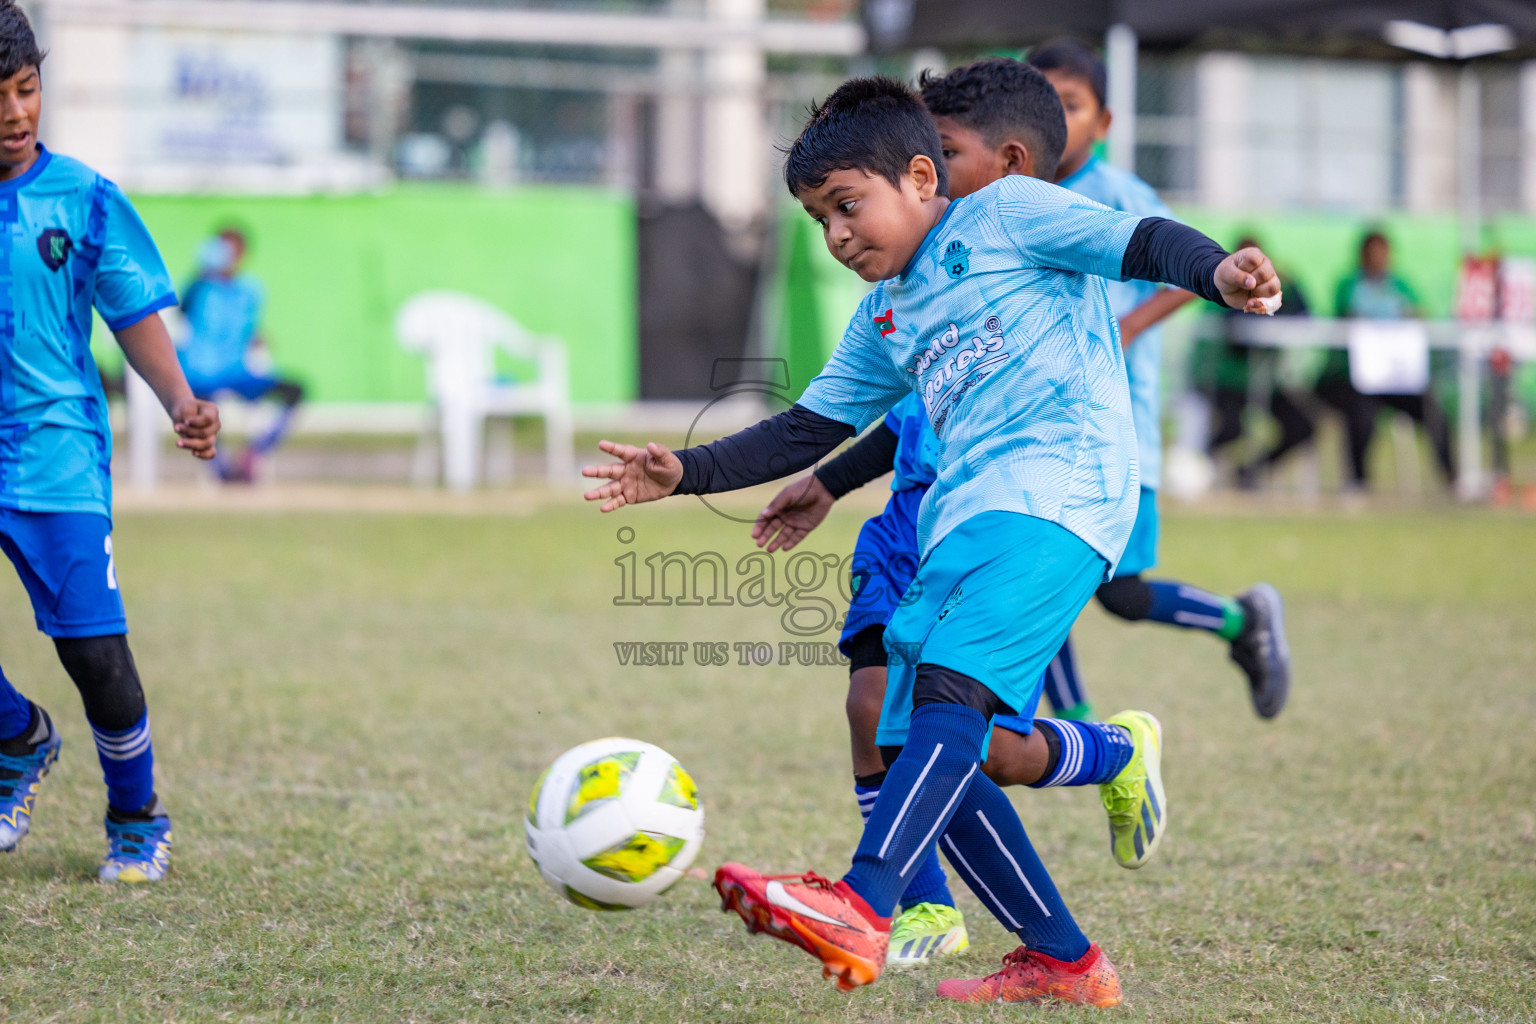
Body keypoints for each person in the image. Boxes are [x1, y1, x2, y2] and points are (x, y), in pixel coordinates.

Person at [584, 75, 1280, 1005]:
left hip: (1063, 491)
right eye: (818, 220)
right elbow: (805, 429)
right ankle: (1064, 960)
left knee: (948, 694)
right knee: (931, 742)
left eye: (847, 205)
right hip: (965, 516)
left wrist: (1218, 271)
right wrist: (686, 471)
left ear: (920, 178)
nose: (836, 235)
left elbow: (1140, 242)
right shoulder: (884, 313)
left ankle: (863, 902)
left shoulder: (1007, 215)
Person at [0, 1, 221, 883]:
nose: (15, 113)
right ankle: (17, 737)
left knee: (94, 655)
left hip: (54, 454)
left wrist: (180, 400)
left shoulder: (84, 199)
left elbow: (129, 312)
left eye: (26, 89)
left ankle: (136, 817)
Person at [1314, 230, 1454, 489]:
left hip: (1394, 377)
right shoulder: (1348, 285)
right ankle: (1358, 482)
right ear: (1362, 256)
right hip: (1353, 377)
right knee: (1362, 414)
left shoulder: (1400, 285)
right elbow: (1348, 314)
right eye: (1373, 254)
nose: (1378, 259)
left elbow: (1420, 313)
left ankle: (1452, 478)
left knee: (1431, 408)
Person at [178, 226, 303, 483]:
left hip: (237, 372)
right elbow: (181, 311)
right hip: (200, 372)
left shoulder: (250, 291)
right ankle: (221, 467)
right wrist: (202, 271)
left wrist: (257, 338)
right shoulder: (199, 287)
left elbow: (243, 328)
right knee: (201, 405)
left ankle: (253, 454)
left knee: (294, 390)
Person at [1204, 235, 1317, 488]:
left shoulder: (1276, 287)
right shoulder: (1218, 288)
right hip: (1230, 381)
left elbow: (1304, 315)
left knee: (1302, 426)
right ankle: (1199, 463)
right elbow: (1231, 337)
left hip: (1266, 381)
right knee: (1232, 427)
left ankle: (1249, 472)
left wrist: (1286, 283)